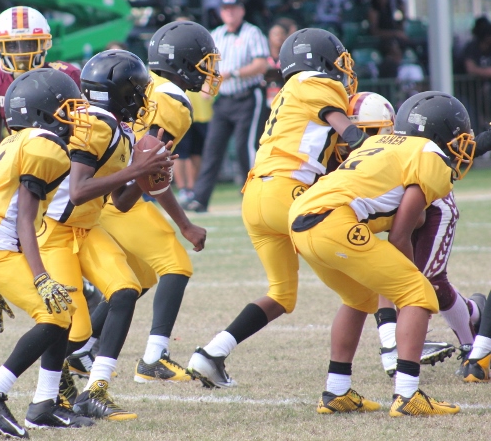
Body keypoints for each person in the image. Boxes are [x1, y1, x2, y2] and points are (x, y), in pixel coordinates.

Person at [187, 28, 365, 389]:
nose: (342, 70)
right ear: (320, 61)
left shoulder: (287, 93)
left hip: (256, 196)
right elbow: (348, 132)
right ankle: (394, 365)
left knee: (282, 294)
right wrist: (377, 148)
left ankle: (211, 353)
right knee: (365, 287)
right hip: (290, 194)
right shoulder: (317, 83)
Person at [289, 91, 478, 416]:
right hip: (333, 221)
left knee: (359, 297)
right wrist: (410, 286)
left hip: (301, 218)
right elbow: (400, 233)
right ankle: (407, 396)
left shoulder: (383, 143)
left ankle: (336, 392)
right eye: (460, 138)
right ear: (441, 134)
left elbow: (400, 209)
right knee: (418, 293)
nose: (463, 146)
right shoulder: (430, 155)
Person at [38, 50, 173, 421]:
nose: (144, 97)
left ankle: (95, 391)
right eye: (139, 90)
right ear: (122, 93)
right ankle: (47, 397)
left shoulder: (120, 129)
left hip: (87, 227)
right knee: (75, 329)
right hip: (56, 231)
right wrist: (138, 169)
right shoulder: (96, 124)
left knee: (125, 290)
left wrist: (150, 174)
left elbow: (120, 201)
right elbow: (78, 191)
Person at [0, 68, 95, 437]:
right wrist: (41, 277)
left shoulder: (11, 143)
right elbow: (22, 220)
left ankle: (45, 405)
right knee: (54, 313)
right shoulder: (44, 145)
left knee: (62, 310)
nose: (75, 117)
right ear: (42, 112)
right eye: (68, 109)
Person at [96, 21, 214, 382]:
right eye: (203, 62)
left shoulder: (149, 85)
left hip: (100, 191)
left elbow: (144, 169)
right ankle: (153, 358)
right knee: (176, 264)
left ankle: (82, 349)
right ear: (183, 62)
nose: (208, 71)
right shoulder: (173, 101)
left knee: (138, 277)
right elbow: (147, 170)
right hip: (112, 198)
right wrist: (185, 225)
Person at [338, 92, 486, 374]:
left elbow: (440, 160)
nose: (355, 140)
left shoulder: (425, 159)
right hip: (405, 209)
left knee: (428, 283)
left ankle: (471, 348)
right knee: (388, 274)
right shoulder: (358, 156)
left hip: (434, 207)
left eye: (370, 131)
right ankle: (470, 314)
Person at [0, 6, 80, 184]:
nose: (21, 52)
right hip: (21, 160)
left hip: (65, 161)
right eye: (12, 45)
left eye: (28, 44)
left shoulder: (65, 76)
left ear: (44, 44)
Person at [184, 0, 269, 212]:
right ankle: (200, 199)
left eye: (233, 8)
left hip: (247, 96)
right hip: (224, 99)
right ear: (221, 12)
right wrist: (207, 86)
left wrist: (234, 73)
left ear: (242, 10)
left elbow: (262, 65)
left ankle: (254, 197)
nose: (229, 12)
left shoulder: (252, 33)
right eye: (225, 9)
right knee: (212, 148)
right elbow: (210, 68)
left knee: (245, 148)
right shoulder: (216, 35)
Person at [174, 89, 212, 207]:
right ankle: (183, 190)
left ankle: (192, 189)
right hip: (181, 112)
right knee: (180, 154)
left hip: (203, 112)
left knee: (197, 153)